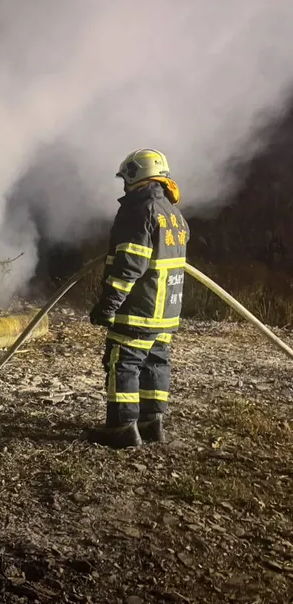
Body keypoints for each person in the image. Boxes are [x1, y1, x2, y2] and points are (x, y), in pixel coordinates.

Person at [88, 149, 189, 448]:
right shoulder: (173, 213)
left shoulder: (138, 209)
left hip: (139, 307)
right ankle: (151, 423)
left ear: (135, 175)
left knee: (124, 363)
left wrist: (108, 305)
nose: (124, 186)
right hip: (166, 309)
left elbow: (131, 265)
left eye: (125, 179)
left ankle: (121, 427)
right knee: (156, 363)